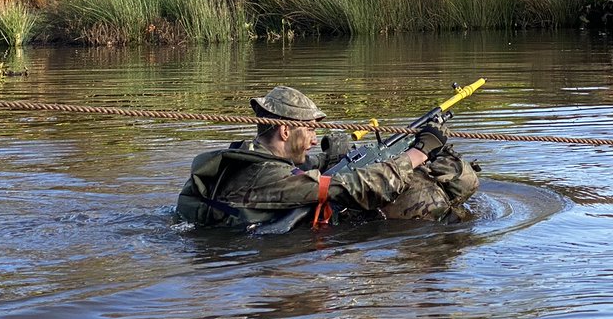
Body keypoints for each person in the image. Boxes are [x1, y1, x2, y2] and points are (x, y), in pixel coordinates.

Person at [176, 85, 479, 230]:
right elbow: (350, 187)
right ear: (284, 130)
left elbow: (302, 170)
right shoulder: (271, 177)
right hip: (265, 249)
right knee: (430, 196)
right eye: (308, 130)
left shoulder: (249, 157)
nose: (311, 138)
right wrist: (418, 152)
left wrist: (331, 156)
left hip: (233, 239)